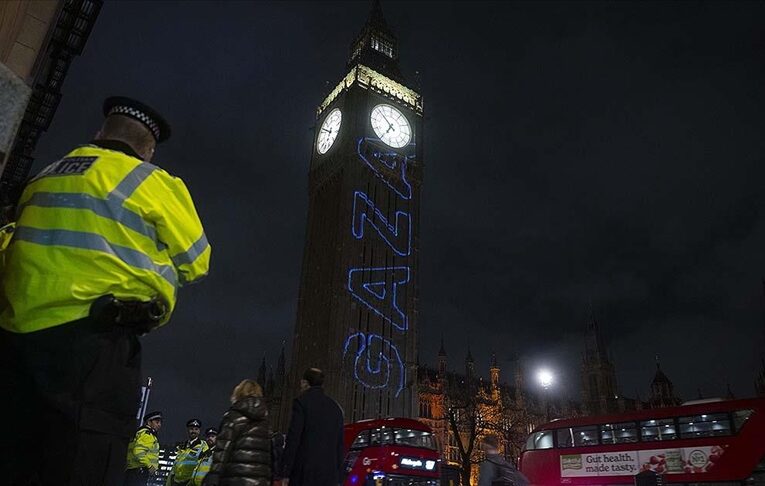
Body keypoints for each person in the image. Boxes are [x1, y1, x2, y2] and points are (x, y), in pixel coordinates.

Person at [0, 96, 211, 485]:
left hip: (16, 347)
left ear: (98, 134)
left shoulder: (45, 175)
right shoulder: (152, 181)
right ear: (147, 150)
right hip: (96, 348)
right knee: (86, 465)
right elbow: (197, 259)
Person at [281, 368, 345, 486]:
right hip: (329, 475)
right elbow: (339, 445)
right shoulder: (336, 408)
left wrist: (285, 472)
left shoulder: (301, 403)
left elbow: (293, 439)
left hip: (305, 473)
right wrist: (340, 477)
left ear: (305, 383)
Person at [203, 379, 272, 486]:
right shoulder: (265, 423)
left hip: (234, 479)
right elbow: (268, 458)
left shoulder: (233, 416)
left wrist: (214, 474)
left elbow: (222, 449)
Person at [125, 411, 163, 486]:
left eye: (160, 423)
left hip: (133, 471)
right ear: (149, 422)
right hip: (139, 471)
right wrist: (150, 466)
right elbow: (138, 452)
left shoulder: (139, 433)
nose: (159, 425)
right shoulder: (147, 435)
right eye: (157, 422)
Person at [168, 418, 209, 486]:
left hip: (189, 482)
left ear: (199, 431)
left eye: (196, 429)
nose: (193, 431)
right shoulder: (182, 446)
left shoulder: (203, 446)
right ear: (188, 430)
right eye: (191, 429)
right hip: (176, 482)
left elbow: (203, 466)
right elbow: (175, 466)